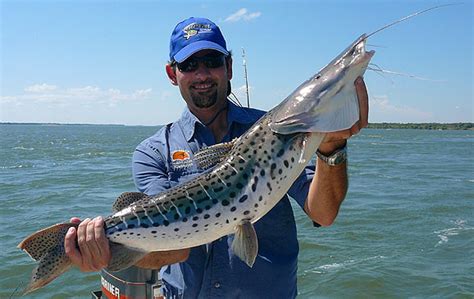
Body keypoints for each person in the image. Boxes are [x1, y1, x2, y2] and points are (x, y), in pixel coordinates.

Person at [65, 17, 369, 298]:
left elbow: (323, 214)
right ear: (173, 74)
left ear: (229, 67)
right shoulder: (153, 151)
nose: (202, 74)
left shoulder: (268, 130)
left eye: (211, 61)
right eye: (189, 64)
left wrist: (333, 147)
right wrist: (103, 250)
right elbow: (173, 250)